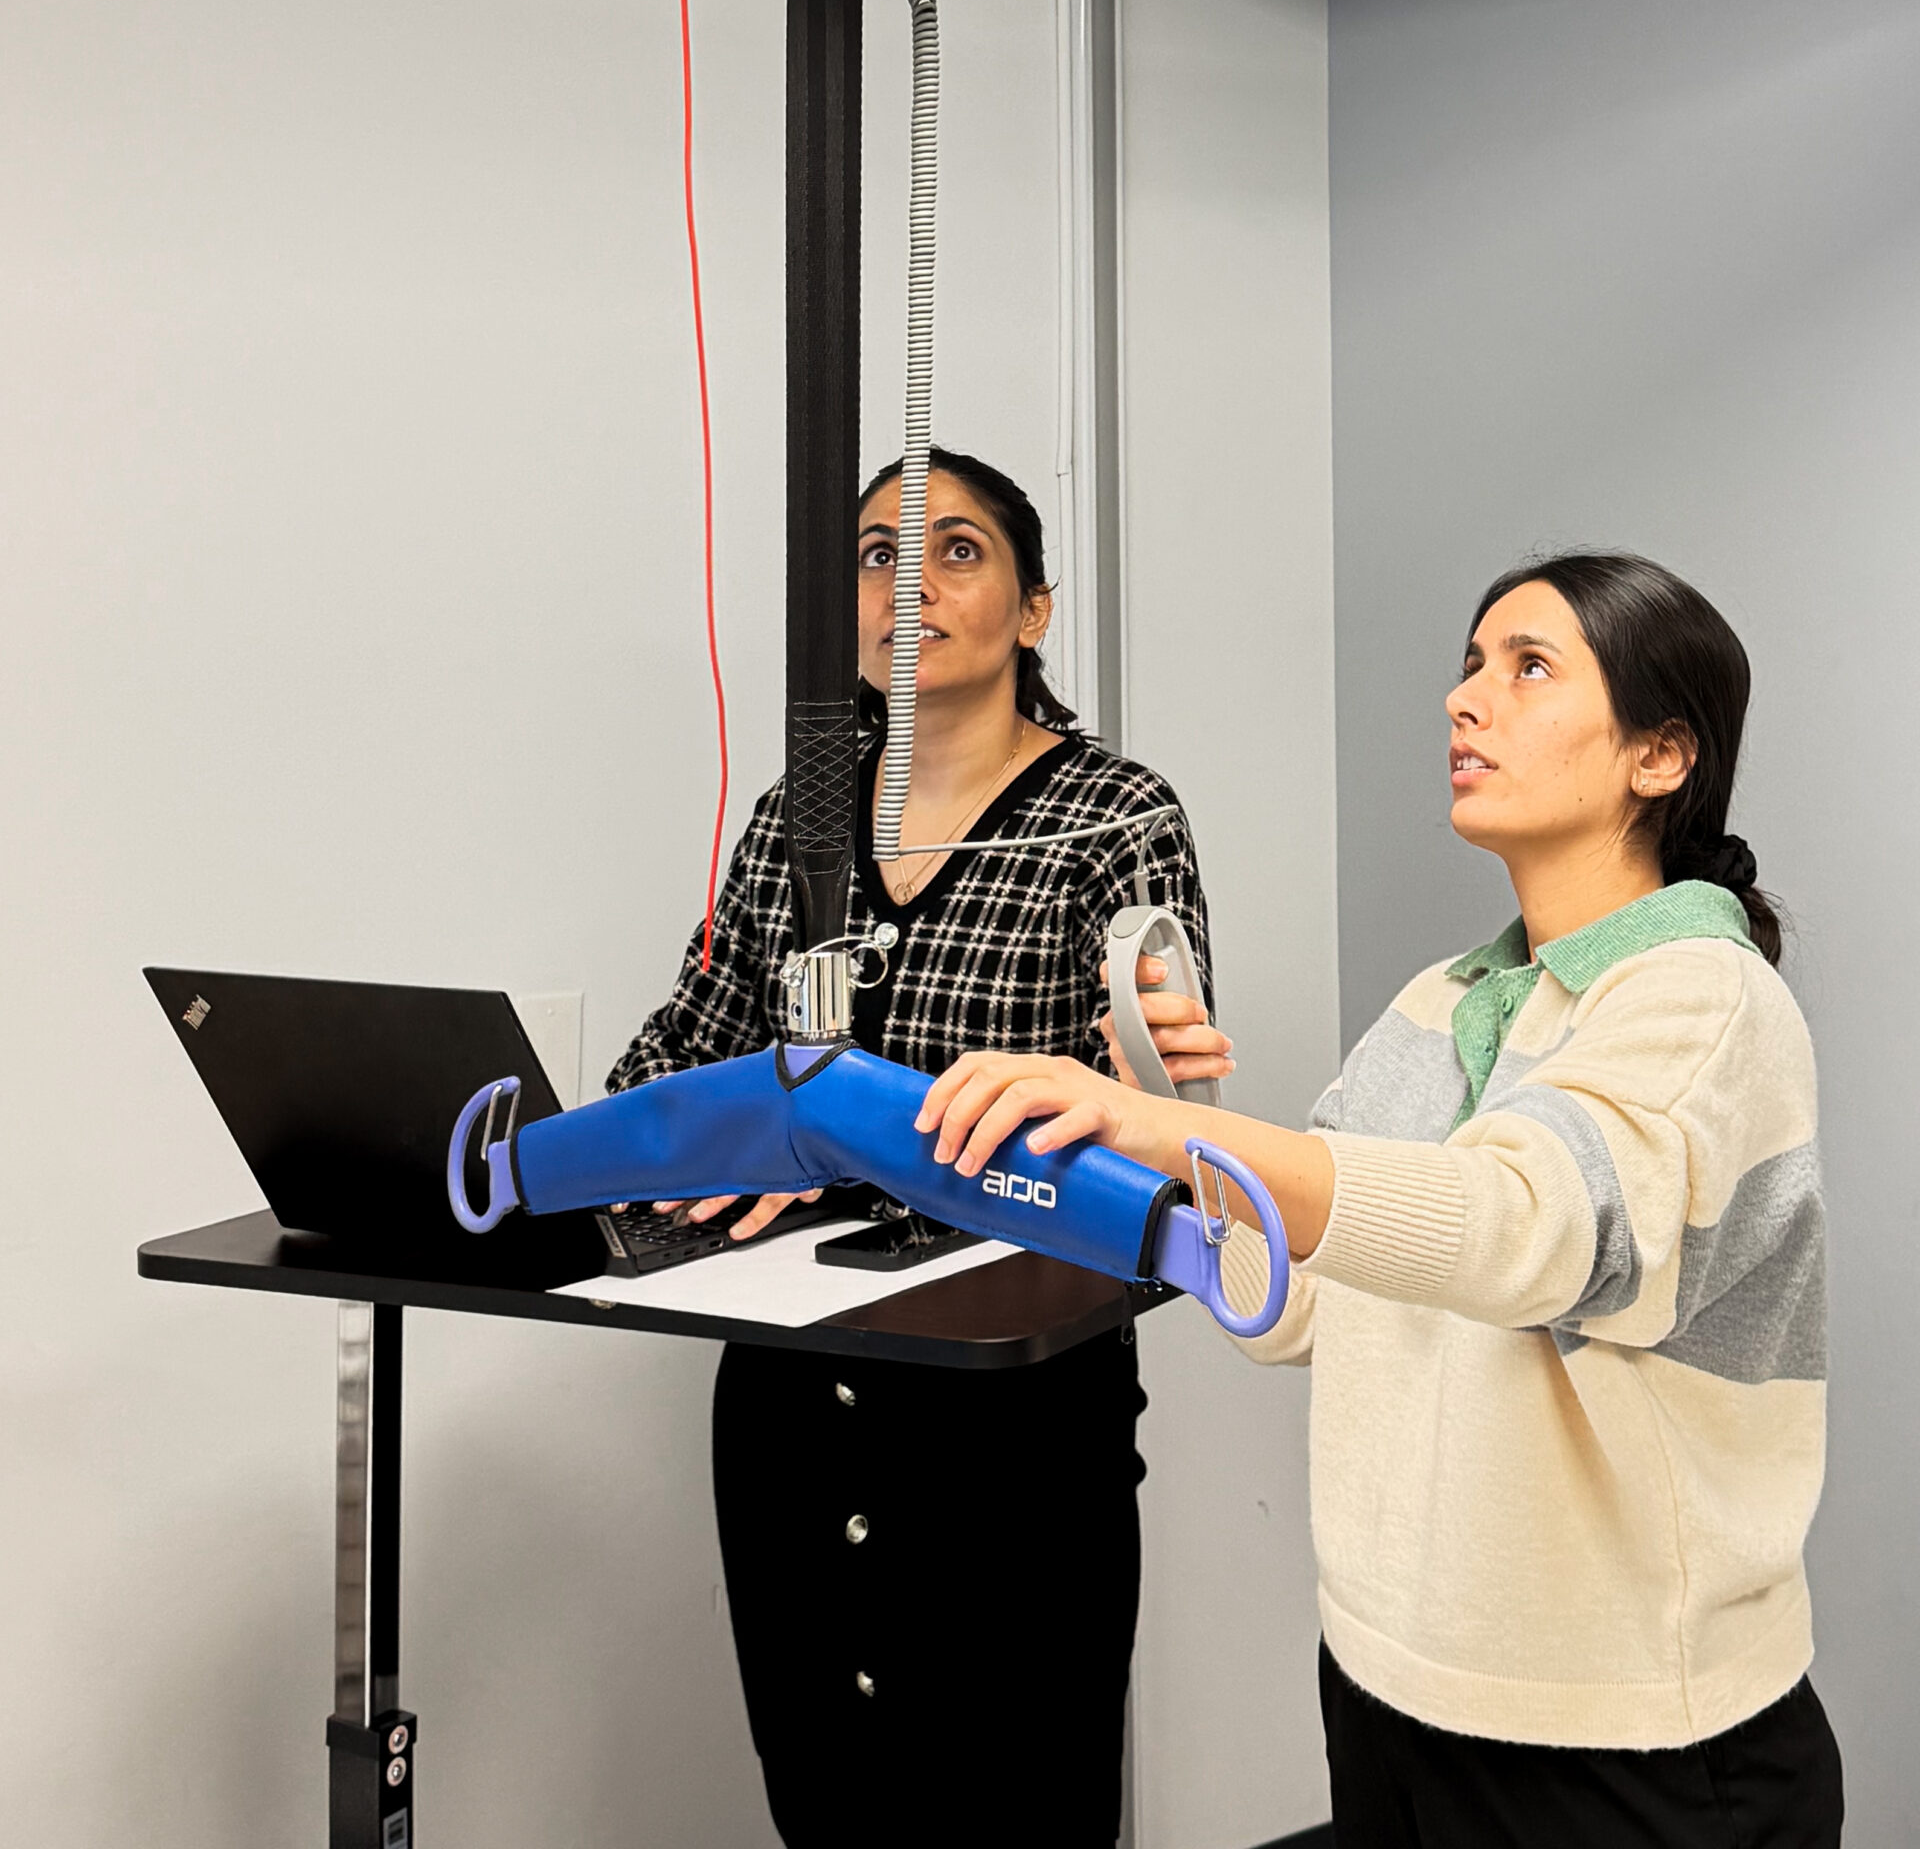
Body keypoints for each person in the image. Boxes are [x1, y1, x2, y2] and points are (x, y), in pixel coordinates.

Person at [918, 551, 1842, 1849]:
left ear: (1660, 755)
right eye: (1470, 666)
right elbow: (1299, 1308)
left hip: (1625, 1735)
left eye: (1529, 668)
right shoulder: (1439, 1002)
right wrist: (1165, 1137)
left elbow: (1518, 1228)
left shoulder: (1703, 994)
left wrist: (1185, 1131)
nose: (1466, 700)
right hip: (1385, 1689)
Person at [607, 446, 1220, 1849]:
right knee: (825, 1801)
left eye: (956, 553)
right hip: (789, 1396)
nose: (907, 587)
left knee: (1016, 1804)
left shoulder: (1113, 818)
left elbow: (1133, 1124)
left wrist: (815, 1141)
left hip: (1007, 1408)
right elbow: (682, 1054)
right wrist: (648, 1134)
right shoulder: (799, 816)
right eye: (879, 555)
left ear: (1035, 608)